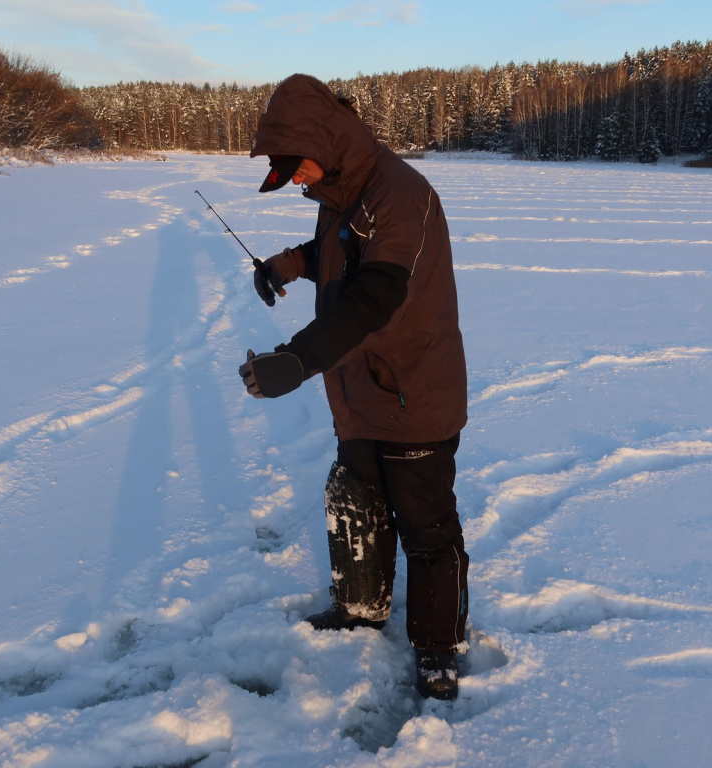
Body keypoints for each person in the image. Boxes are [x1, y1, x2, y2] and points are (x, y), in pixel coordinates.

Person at [238, 73, 469, 701]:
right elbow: (332, 256)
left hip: (413, 391)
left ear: (325, 139)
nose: (299, 182)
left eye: (297, 169)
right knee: (357, 500)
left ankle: (439, 645)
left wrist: (297, 358)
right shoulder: (342, 195)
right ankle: (361, 608)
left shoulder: (400, 193)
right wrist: (284, 265)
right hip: (358, 392)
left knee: (426, 527)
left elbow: (377, 292)